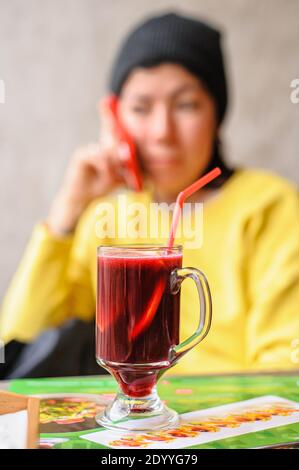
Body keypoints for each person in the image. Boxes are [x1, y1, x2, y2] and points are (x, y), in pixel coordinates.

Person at [1, 12, 299, 378]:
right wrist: (68, 210)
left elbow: (285, 371)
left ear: (217, 115)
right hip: (129, 426)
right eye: (141, 108)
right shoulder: (106, 219)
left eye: (186, 105)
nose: (162, 132)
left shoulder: (270, 207)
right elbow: (19, 342)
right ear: (115, 118)